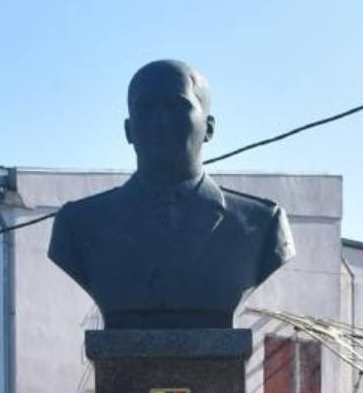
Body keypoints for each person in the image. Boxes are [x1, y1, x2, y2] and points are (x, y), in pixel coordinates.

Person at [48, 59, 294, 329]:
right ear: (128, 130)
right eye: (146, 108)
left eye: (177, 106)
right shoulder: (79, 225)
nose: (161, 122)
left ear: (209, 127)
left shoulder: (261, 225)